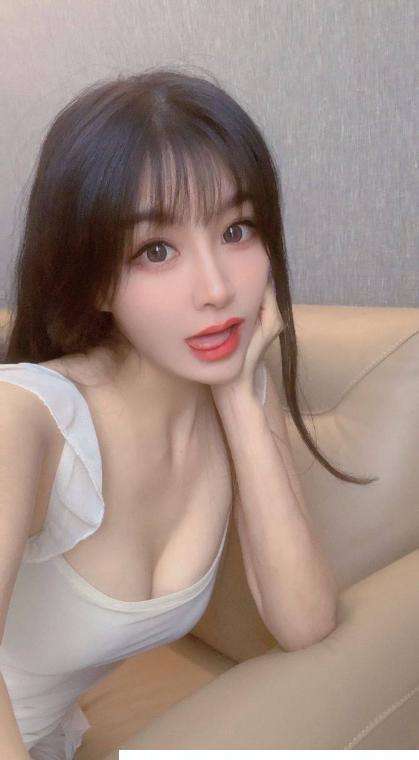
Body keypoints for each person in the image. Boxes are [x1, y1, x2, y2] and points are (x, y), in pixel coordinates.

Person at [0, 65, 377, 759]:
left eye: (237, 230)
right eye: (157, 249)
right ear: (93, 278)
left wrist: (236, 394)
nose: (216, 288)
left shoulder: (237, 391)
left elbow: (304, 620)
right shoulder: (24, 419)